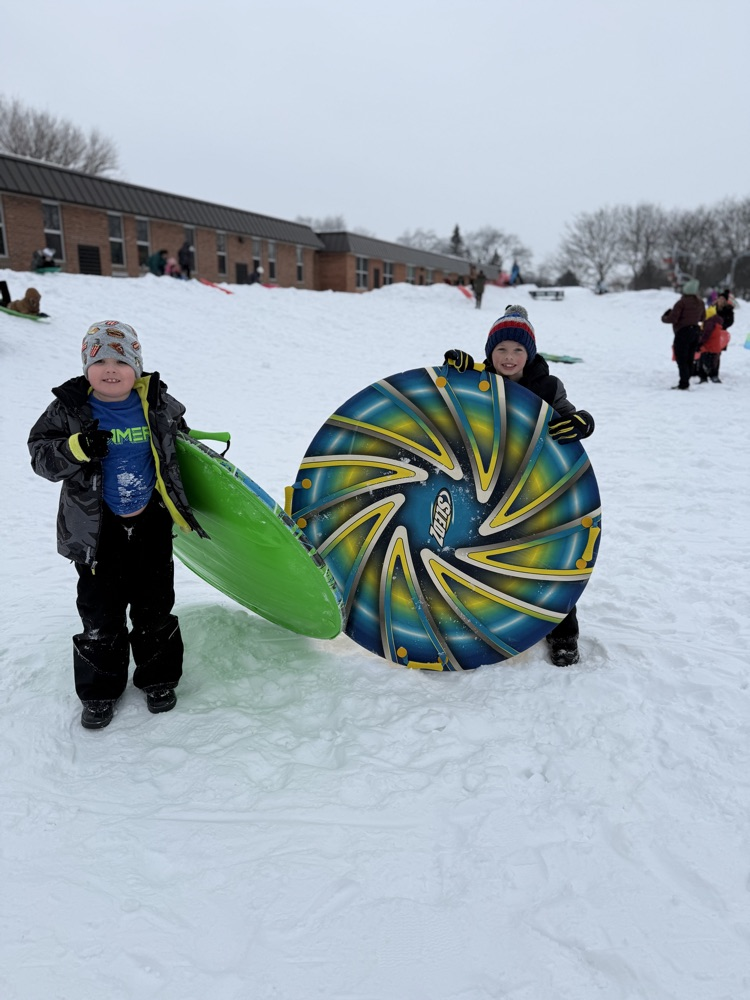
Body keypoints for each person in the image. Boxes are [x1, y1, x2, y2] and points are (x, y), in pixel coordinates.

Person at [27, 321, 207, 730]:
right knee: (100, 612)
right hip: (95, 529)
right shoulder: (69, 408)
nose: (111, 369)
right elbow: (40, 456)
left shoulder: (158, 402)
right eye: (100, 361)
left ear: (136, 366)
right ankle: (100, 691)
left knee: (154, 605)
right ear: (86, 367)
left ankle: (158, 678)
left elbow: (181, 446)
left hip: (150, 522)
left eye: (122, 361)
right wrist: (76, 447)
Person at [443, 304, 595, 667]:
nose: (508, 357)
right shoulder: (479, 379)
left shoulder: (547, 387)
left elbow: (569, 416)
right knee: (485, 556)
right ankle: (490, 619)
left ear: (530, 353)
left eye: (517, 350)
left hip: (535, 488)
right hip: (485, 487)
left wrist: (582, 423)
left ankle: (563, 633)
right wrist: (453, 369)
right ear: (490, 351)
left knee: (549, 560)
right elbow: (446, 401)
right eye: (501, 349)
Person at [660, 279, 706, 389]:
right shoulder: (700, 303)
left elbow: (673, 318)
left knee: (681, 358)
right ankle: (687, 378)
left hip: (683, 332)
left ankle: (684, 383)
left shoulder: (681, 303)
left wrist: (664, 317)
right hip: (695, 332)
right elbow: (702, 318)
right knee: (690, 357)